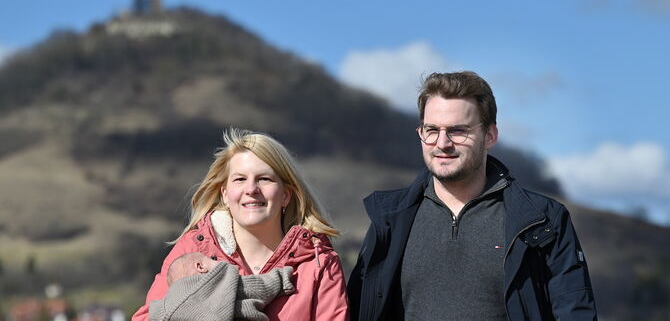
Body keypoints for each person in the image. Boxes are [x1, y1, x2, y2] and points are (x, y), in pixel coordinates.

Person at [347, 71, 597, 320]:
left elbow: (576, 313)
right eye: (432, 129)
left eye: (457, 131)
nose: (442, 143)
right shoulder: (390, 221)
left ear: (490, 136)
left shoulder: (543, 222)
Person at [133, 129, 349, 321]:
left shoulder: (319, 264)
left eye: (264, 178)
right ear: (225, 194)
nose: (251, 189)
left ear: (285, 195)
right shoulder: (193, 250)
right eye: (239, 179)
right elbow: (149, 316)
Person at [149, 252, 295, 321]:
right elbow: (260, 287)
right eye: (212, 259)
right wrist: (283, 277)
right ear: (200, 267)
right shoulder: (223, 284)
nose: (218, 260)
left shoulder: (164, 306)